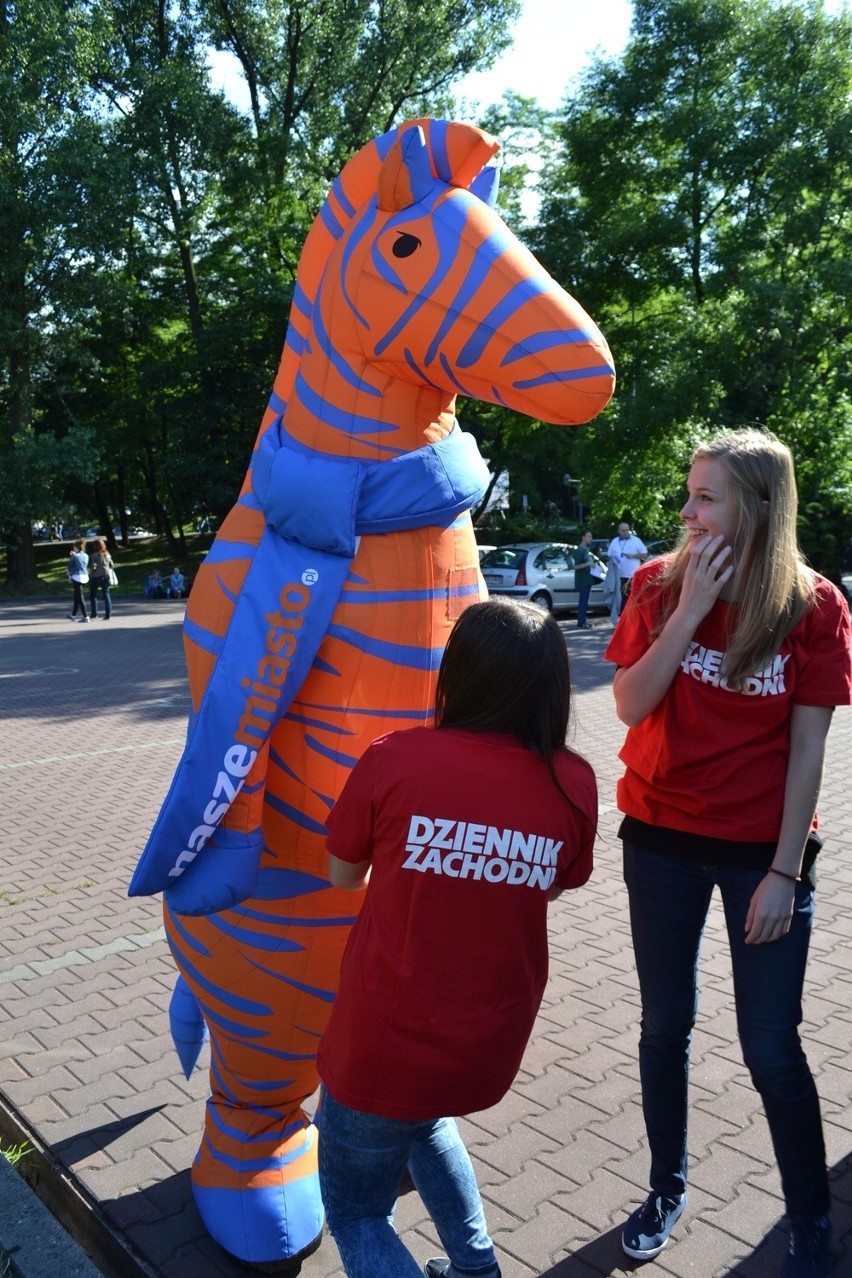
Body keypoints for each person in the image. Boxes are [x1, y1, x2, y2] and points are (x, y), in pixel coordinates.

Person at [604, 429, 852, 1276]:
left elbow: (810, 752)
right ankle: (667, 1186)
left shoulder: (815, 607)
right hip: (662, 842)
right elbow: (632, 708)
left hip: (761, 855)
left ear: (755, 506)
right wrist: (685, 617)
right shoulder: (655, 584)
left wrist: (785, 872)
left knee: (772, 1047)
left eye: (705, 496)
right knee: (663, 1026)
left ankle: (811, 1221)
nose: (687, 510)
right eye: (690, 492)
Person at [316, 598, 598, 1278]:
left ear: (457, 675)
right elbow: (552, 883)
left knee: (358, 1213)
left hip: (383, 1041)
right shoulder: (574, 781)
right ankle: (477, 1269)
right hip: (484, 1042)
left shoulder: (395, 760)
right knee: (427, 1123)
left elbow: (342, 874)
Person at [607, 521, 648, 618]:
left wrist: (633, 556)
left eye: (627, 530)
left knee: (633, 598)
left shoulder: (635, 540)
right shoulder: (615, 541)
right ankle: (623, 619)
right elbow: (609, 556)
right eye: (623, 530)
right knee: (621, 599)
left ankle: (633, 618)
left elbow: (645, 554)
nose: (625, 532)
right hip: (619, 576)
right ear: (619, 531)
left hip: (633, 575)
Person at [573, 529, 598, 629]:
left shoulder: (586, 550)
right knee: (583, 601)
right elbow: (575, 566)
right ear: (583, 537)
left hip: (588, 579)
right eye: (588, 536)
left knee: (586, 601)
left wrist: (592, 565)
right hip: (582, 580)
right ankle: (581, 622)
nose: (590, 538)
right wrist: (588, 564)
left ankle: (584, 620)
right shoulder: (580, 550)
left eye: (591, 536)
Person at [88, 538, 114, 620]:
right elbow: (112, 564)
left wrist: (91, 572)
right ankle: (108, 614)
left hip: (96, 576)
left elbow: (94, 566)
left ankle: (94, 613)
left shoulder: (94, 555)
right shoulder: (107, 554)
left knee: (93, 594)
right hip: (106, 575)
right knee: (106, 594)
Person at [66, 538, 90, 622]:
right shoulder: (86, 555)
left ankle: (86, 616)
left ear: (76, 547)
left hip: (77, 576)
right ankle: (73, 615)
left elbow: (70, 566)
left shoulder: (75, 556)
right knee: (76, 596)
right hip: (85, 576)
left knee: (80, 597)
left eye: (74, 547)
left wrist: (69, 576)